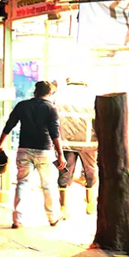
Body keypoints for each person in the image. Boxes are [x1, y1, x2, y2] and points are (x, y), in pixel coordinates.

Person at [0, 81, 65, 228]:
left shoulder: (22, 105)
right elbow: (55, 133)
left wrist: (0, 143)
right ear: (49, 92)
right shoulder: (51, 108)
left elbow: (9, 125)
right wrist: (60, 154)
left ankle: (17, 220)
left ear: (35, 91)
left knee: (22, 183)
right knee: (48, 185)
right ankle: (52, 218)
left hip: (24, 150)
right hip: (44, 151)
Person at [56, 79, 98, 217]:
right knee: (90, 171)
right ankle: (90, 204)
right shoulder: (91, 95)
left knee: (65, 172)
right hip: (88, 142)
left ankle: (63, 207)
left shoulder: (60, 95)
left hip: (66, 141)